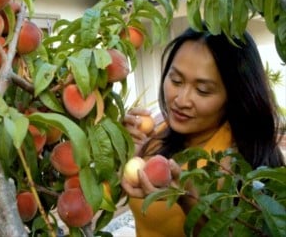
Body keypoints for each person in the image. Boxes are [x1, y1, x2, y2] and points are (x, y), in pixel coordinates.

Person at [121, 26, 285, 237]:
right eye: (176, 80)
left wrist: (189, 202)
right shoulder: (162, 128)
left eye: (203, 90)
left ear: (234, 96)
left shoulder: (237, 169)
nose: (180, 100)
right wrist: (127, 150)